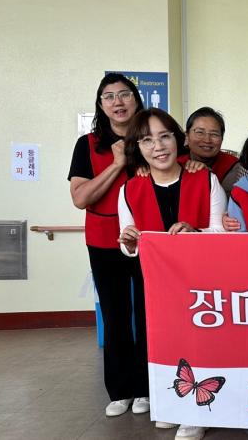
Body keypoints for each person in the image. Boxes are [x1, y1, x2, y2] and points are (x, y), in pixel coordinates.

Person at [117, 108, 226, 440]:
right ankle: (171, 404)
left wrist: (195, 232)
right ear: (138, 147)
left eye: (164, 136)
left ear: (178, 139)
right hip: (158, 287)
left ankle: (196, 412)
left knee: (199, 341)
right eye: (147, 140)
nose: (158, 146)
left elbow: (221, 233)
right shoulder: (130, 189)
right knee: (161, 342)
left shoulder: (205, 179)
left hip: (201, 283)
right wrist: (129, 243)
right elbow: (130, 243)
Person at [68, 73, 148, 418]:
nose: (118, 102)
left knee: (148, 316)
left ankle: (147, 388)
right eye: (109, 96)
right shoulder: (88, 145)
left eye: (124, 94)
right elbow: (81, 198)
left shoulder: (151, 137)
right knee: (115, 317)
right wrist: (117, 164)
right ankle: (120, 390)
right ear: (101, 105)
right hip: (103, 241)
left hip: (149, 240)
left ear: (136, 99)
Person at [183, 106, 247, 196]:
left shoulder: (237, 168)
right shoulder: (176, 163)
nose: (207, 140)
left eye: (214, 134)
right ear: (187, 136)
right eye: (200, 132)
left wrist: (207, 176)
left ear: (222, 139)